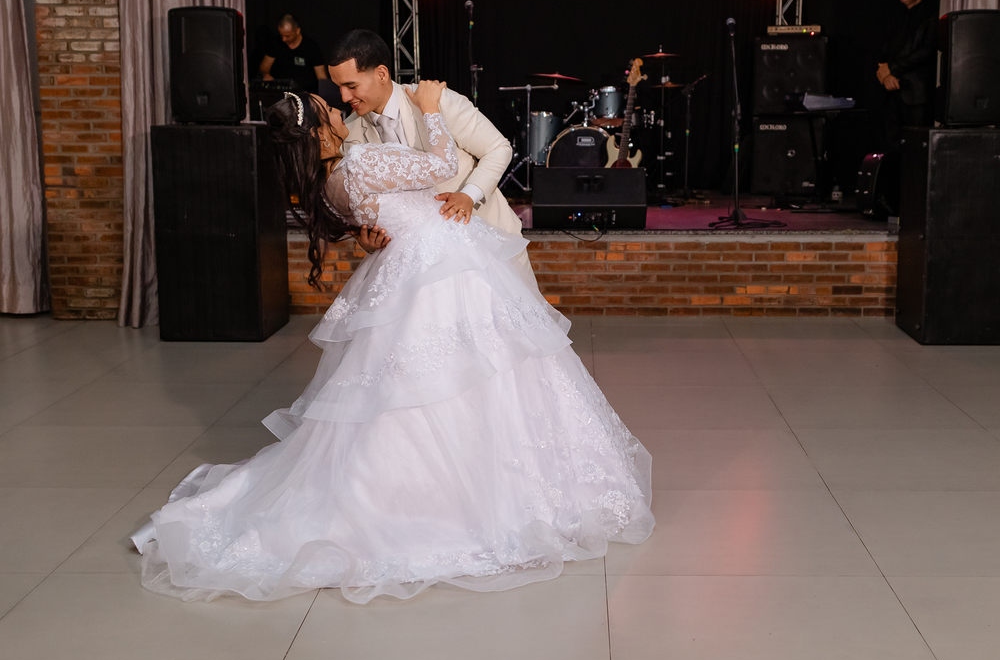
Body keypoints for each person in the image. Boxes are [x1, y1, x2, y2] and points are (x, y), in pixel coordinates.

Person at [130, 85, 654, 603]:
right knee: (465, 379)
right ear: (320, 133)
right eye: (328, 108)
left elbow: (383, 209)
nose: (340, 107)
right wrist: (430, 111)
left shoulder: (331, 181)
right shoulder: (359, 163)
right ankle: (461, 497)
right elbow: (441, 165)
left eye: (341, 96)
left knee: (432, 385)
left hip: (420, 268)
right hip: (440, 274)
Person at [327, 29, 535, 286]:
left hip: (490, 242)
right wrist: (367, 240)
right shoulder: (350, 133)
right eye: (339, 87)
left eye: (351, 86)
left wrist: (468, 195)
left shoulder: (435, 100)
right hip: (421, 267)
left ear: (381, 74)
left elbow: (498, 148)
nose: (344, 97)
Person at [875, 0, 937, 150]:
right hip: (892, 91)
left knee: (916, 146)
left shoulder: (931, 16)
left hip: (916, 93)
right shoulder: (895, 19)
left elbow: (926, 51)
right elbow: (883, 54)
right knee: (892, 145)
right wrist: (886, 76)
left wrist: (893, 69)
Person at [258, 14, 327, 94]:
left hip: (306, 94)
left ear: (297, 31)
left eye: (287, 36)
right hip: (281, 94)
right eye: (281, 35)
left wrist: (323, 95)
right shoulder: (275, 43)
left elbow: (321, 77)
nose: (283, 39)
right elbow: (265, 66)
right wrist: (265, 74)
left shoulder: (311, 46)